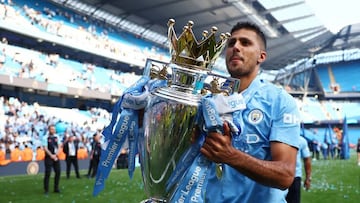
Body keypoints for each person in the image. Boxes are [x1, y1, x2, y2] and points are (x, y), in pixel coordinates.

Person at [198, 22, 300, 202]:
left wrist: (231, 156)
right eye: (231, 43)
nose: (235, 47)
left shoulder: (279, 101)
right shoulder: (207, 100)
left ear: (261, 56)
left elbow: (285, 175)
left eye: (245, 43)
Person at [286, 136, 312, 203]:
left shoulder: (301, 140)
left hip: (294, 177)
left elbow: (307, 159)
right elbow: (307, 159)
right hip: (281, 175)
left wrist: (308, 178)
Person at [43, 124, 61, 194]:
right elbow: (45, 148)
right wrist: (51, 155)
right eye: (52, 129)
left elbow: (59, 146)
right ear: (49, 130)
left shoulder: (57, 137)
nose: (53, 130)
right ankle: (46, 189)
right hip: (49, 157)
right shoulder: (45, 137)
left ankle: (56, 188)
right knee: (48, 173)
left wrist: (56, 155)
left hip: (56, 156)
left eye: (54, 129)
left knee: (58, 172)